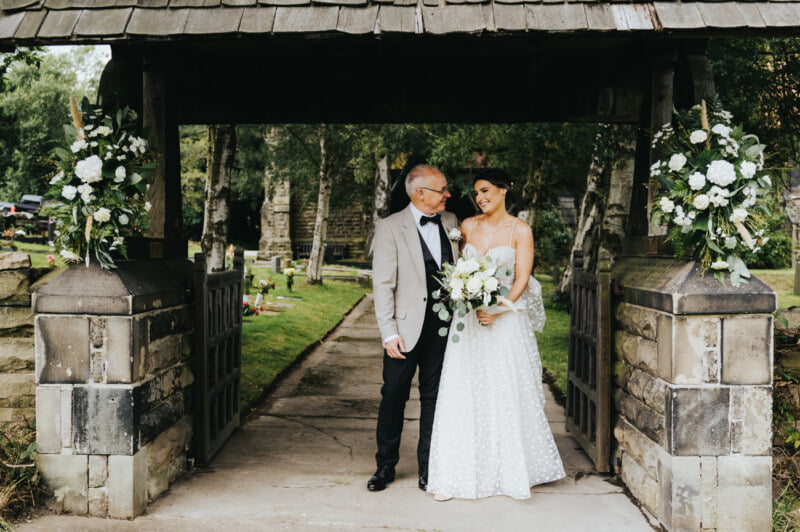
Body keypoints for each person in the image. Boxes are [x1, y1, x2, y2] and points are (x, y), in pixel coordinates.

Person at [426, 171, 565, 501]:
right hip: (470, 321)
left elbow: (522, 277)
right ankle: (458, 471)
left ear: (504, 190)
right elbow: (459, 270)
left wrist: (500, 308)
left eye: (486, 190)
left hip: (503, 320)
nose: (481, 197)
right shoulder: (468, 227)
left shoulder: (521, 229)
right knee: (466, 389)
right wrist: (465, 296)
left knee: (503, 388)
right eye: (476, 193)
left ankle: (510, 471)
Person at [369, 164, 460, 492]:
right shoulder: (390, 227)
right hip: (404, 331)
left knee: (435, 397)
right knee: (392, 395)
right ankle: (385, 466)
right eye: (442, 190)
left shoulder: (451, 223)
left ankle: (429, 467)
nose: (448, 195)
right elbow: (383, 284)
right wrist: (388, 332)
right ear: (420, 193)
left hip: (444, 328)